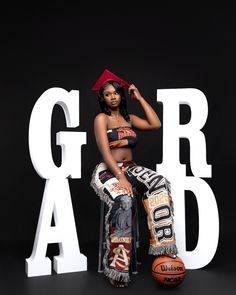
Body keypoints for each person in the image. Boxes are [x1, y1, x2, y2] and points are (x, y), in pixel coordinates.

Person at [90, 69, 178, 288]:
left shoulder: (129, 119)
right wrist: (120, 177)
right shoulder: (101, 119)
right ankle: (118, 268)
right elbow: (105, 153)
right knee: (125, 201)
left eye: (116, 93)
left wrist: (139, 97)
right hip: (108, 170)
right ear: (102, 98)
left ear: (121, 96)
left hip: (130, 169)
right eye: (107, 94)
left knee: (159, 183)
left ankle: (163, 249)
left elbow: (155, 123)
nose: (112, 97)